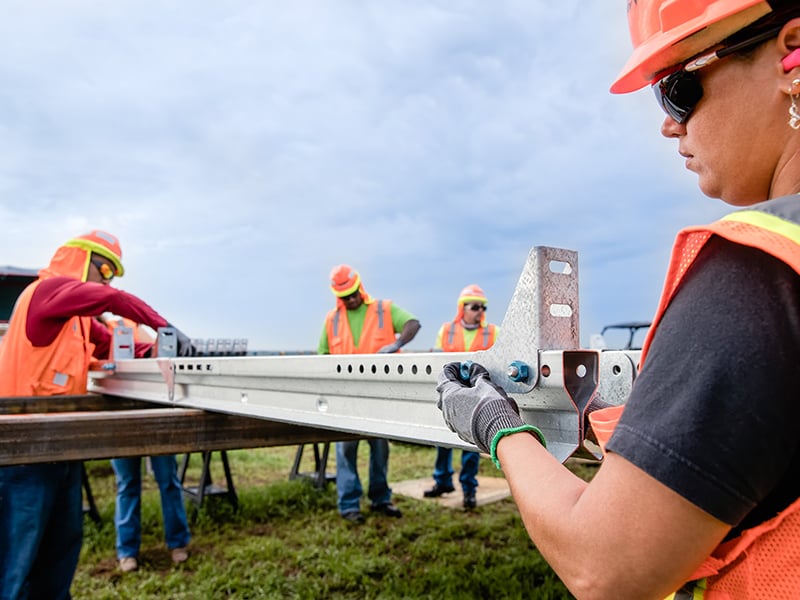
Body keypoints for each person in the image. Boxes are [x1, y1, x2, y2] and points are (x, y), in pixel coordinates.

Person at [437, 2, 800, 598]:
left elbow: (606, 569)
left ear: (790, 53)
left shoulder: (763, 272)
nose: (668, 124)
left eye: (679, 88)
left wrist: (499, 427)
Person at [0, 230, 195, 599]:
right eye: (103, 268)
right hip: (24, 458)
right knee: (15, 568)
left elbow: (118, 347)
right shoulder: (45, 293)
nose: (106, 280)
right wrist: (162, 323)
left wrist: (159, 348)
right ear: (79, 258)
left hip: (64, 452)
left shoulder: (78, 322)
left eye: (111, 274)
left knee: (59, 558)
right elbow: (110, 297)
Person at [319, 264, 420, 524]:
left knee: (379, 450)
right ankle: (349, 504)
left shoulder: (383, 310)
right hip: (347, 398)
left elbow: (412, 323)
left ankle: (380, 498)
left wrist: (396, 344)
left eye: (353, 294)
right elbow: (322, 356)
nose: (350, 300)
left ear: (360, 288)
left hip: (379, 397)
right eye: (345, 297)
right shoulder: (332, 320)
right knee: (346, 451)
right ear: (337, 296)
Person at [102, 315, 192, 573]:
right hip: (120, 418)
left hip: (155, 416)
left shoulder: (142, 334)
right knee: (128, 484)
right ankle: (127, 551)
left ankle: (177, 543)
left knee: (168, 481)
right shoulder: (102, 333)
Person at [424, 284, 498, 509]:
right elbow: (438, 357)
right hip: (450, 392)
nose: (479, 311)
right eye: (475, 306)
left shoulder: (493, 331)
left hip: (476, 394)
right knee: (442, 439)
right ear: (462, 308)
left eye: (482, 307)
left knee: (470, 443)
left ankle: (469, 489)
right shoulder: (446, 330)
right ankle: (442, 482)